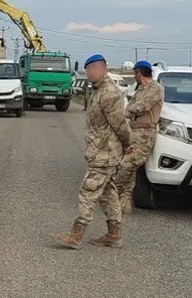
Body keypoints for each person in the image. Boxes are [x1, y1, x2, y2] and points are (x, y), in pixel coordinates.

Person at [51, 53, 130, 249]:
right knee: (108, 194)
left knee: (88, 191)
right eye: (87, 70)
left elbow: (120, 124)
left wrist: (129, 144)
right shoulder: (98, 89)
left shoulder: (109, 93)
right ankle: (114, 235)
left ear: (101, 69)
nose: (88, 74)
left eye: (91, 70)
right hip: (101, 152)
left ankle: (76, 236)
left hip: (105, 153)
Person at [114, 61, 164, 214]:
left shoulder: (155, 88)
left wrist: (127, 112)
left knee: (127, 165)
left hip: (145, 133)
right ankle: (125, 201)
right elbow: (130, 106)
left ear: (139, 73)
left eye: (134, 73)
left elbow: (142, 107)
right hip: (134, 131)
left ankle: (113, 192)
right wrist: (129, 110)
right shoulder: (140, 90)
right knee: (131, 168)